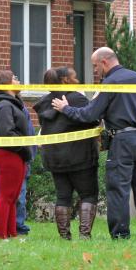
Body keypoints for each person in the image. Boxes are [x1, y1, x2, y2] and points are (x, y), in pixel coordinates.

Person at [52, 47, 136, 240]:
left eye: (95, 66)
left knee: (118, 189)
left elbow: (89, 114)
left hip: (123, 141)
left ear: (104, 62)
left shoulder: (109, 83)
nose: (95, 70)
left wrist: (66, 108)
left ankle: (120, 235)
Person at [33, 67, 99, 240]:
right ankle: (85, 235)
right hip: (80, 157)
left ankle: (64, 236)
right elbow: (91, 119)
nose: (77, 80)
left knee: (63, 197)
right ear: (64, 80)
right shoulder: (76, 98)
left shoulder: (45, 102)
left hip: (55, 158)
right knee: (88, 194)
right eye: (74, 77)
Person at [0, 70, 30, 240]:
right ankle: (2, 236)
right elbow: (6, 132)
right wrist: (23, 147)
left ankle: (12, 233)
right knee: (6, 196)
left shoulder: (14, 103)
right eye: (14, 78)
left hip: (17, 154)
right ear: (6, 84)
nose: (17, 80)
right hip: (9, 154)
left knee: (13, 197)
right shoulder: (5, 105)